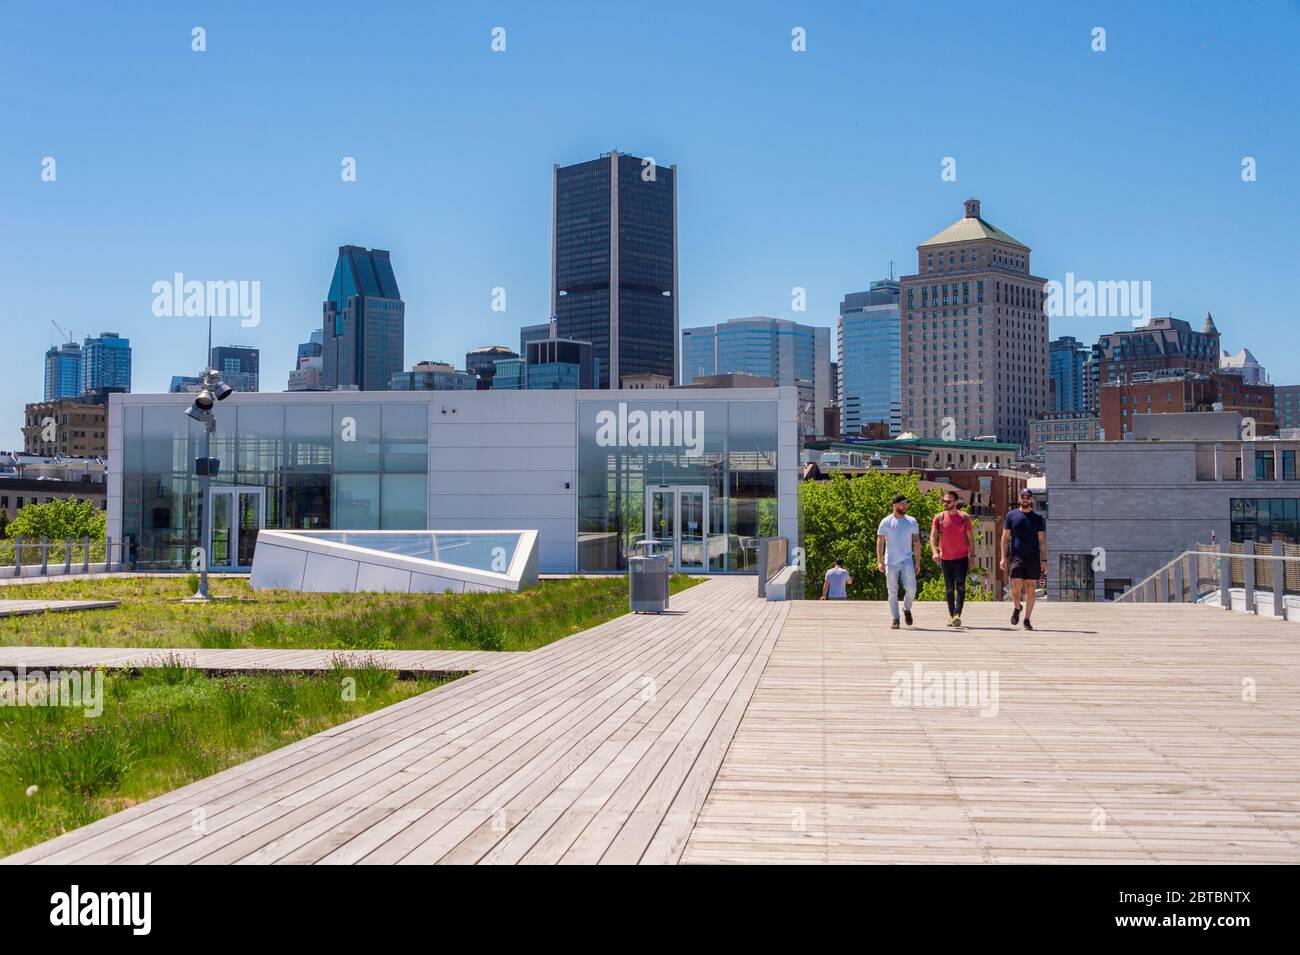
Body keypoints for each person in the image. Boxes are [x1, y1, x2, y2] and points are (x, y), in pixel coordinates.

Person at [1000, 488, 1047, 631]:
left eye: (1028, 497)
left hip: (1033, 556)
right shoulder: (1011, 515)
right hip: (1017, 556)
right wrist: (1003, 558)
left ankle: (1027, 619)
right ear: (1020, 498)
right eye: (1023, 496)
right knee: (1015, 588)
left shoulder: (1038, 517)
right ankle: (1017, 606)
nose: (1025, 499)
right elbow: (1005, 538)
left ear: (1032, 500)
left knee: (1030, 589)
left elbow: (1042, 540)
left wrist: (1044, 560)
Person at [930, 489, 975, 628]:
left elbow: (970, 539)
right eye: (943, 501)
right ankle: (950, 615)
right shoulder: (939, 518)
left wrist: (972, 557)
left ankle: (957, 614)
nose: (945, 503)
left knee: (960, 587)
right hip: (945, 558)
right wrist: (934, 552)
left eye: (948, 501)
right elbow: (933, 536)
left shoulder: (964, 517)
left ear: (955, 502)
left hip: (961, 557)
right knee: (949, 588)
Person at [877, 493, 920, 629]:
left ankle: (907, 608)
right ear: (895, 505)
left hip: (907, 560)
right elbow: (880, 541)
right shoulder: (886, 521)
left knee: (912, 588)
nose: (905, 506)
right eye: (902, 504)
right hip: (891, 561)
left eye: (906, 504)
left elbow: (916, 542)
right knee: (892, 591)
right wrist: (880, 560)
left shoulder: (912, 521)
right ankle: (895, 618)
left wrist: (917, 561)